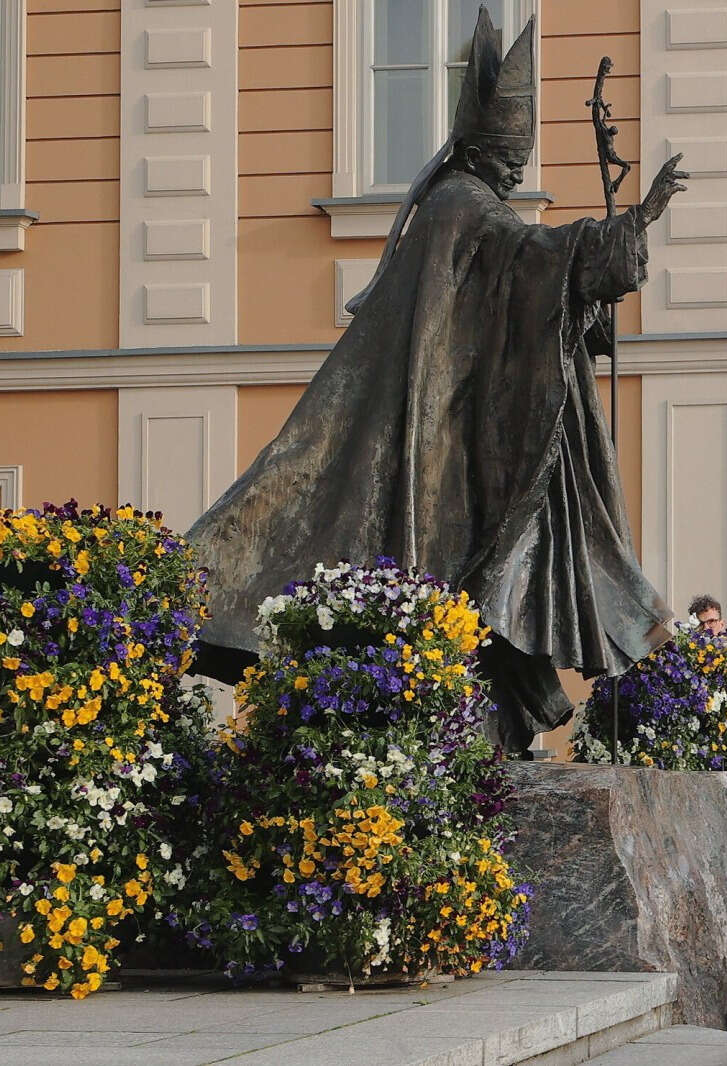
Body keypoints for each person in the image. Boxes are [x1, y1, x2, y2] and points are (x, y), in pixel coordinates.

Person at [185, 11, 689, 752]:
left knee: (498, 571)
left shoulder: (468, 206)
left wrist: (596, 269)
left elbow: (520, 281)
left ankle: (493, 719)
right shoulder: (459, 205)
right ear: (479, 149)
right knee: (474, 570)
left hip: (459, 430)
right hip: (444, 443)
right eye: (509, 157)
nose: (518, 171)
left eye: (520, 158)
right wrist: (624, 226)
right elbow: (527, 259)